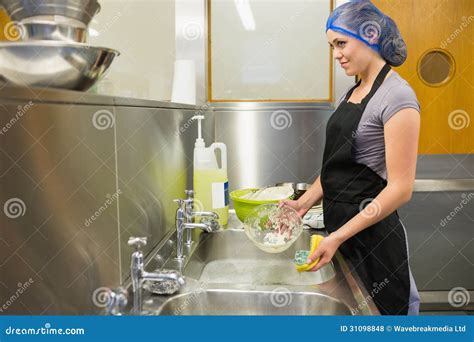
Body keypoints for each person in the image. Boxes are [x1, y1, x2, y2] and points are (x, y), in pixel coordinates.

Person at [280, 0, 421, 315]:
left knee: (381, 318)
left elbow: (401, 188)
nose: (336, 55)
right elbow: (337, 170)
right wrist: (303, 204)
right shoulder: (351, 93)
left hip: (374, 243)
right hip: (342, 237)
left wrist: (339, 236)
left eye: (341, 43)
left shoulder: (397, 96)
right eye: (332, 46)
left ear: (370, 36)